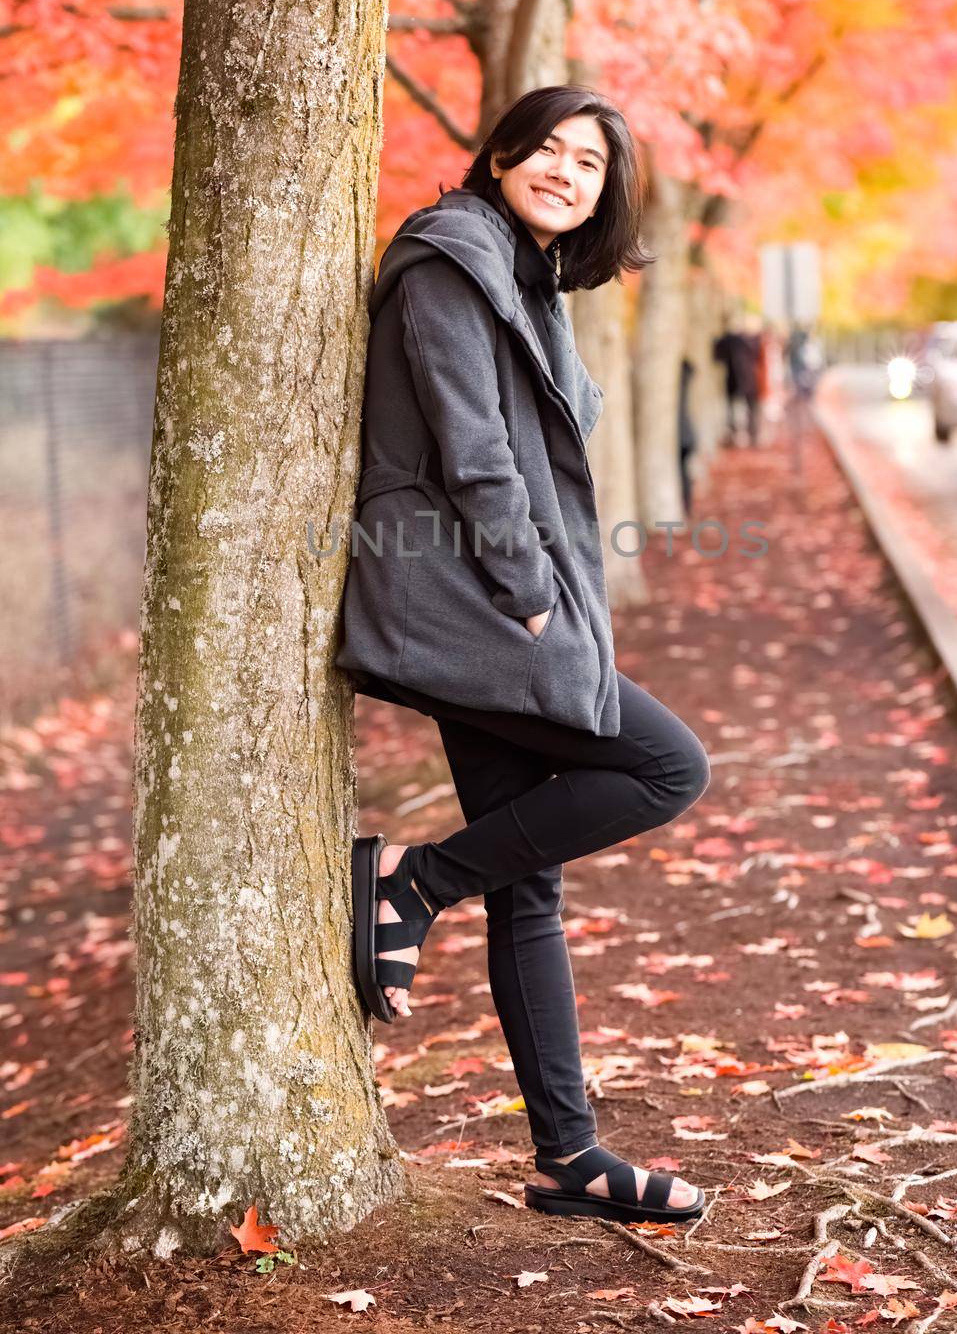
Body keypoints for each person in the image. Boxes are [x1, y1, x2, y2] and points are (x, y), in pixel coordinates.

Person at [335, 84, 713, 1225]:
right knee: (665, 766)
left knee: (529, 876)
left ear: (605, 192)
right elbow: (473, 445)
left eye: (587, 163)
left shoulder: (523, 276)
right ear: (498, 156)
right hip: (474, 600)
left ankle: (569, 1155)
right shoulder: (454, 258)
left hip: (486, 599)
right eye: (543, 148)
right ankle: (412, 881)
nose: (562, 170)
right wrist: (533, 599)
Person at [712, 315, 760, 446]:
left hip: (739, 380)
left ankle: (741, 435)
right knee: (746, 409)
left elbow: (717, 357)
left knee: (739, 409)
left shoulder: (729, 340)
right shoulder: (752, 340)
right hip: (746, 379)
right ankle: (748, 435)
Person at [678, 354, 698, 518]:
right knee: (684, 471)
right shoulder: (685, 375)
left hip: (682, 435)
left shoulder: (680, 376)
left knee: (683, 471)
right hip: (685, 433)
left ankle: (686, 505)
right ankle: (686, 505)